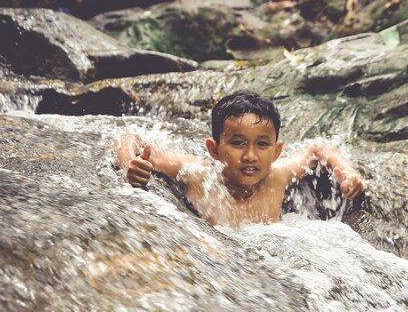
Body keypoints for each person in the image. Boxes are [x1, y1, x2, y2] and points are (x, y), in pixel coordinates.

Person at [114, 90, 366, 227]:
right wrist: (129, 163)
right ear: (214, 149)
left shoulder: (277, 176)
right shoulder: (199, 175)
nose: (250, 156)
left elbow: (317, 149)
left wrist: (345, 172)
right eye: (238, 143)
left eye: (263, 145)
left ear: (276, 151)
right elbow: (127, 136)